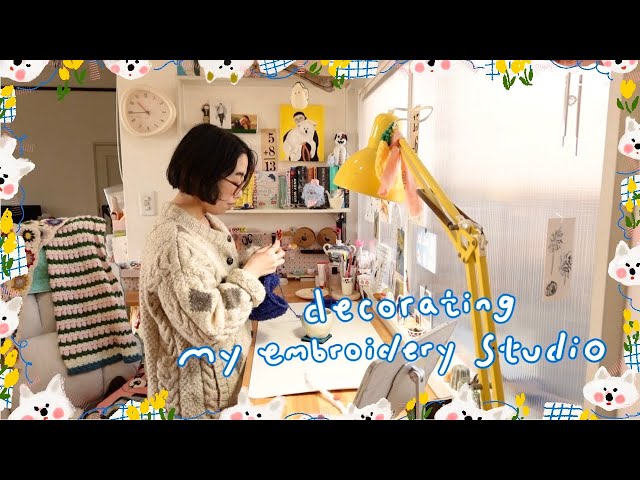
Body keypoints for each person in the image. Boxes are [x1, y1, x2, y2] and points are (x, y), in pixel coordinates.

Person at [138, 124, 286, 419]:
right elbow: (208, 325)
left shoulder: (206, 223)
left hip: (228, 385)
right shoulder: (174, 243)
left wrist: (251, 263)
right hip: (197, 404)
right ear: (205, 172)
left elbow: (213, 282)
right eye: (236, 181)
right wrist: (250, 274)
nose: (240, 193)